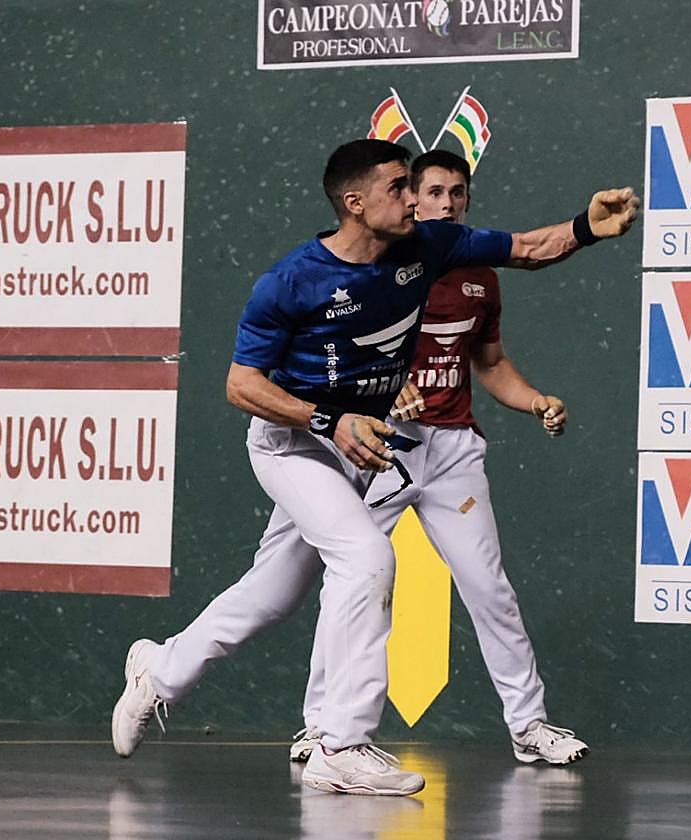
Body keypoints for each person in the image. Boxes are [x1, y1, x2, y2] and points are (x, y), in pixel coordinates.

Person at [110, 139, 640, 797]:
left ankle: (158, 672)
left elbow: (530, 248)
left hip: (370, 442)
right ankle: (340, 743)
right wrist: (330, 420)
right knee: (365, 559)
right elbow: (241, 385)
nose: (415, 197)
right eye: (399, 187)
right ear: (354, 203)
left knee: (274, 593)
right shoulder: (291, 280)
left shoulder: (430, 245)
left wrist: (589, 227)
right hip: (296, 446)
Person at [288, 148, 586, 770]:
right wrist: (382, 383)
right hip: (383, 446)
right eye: (433, 192)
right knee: (353, 585)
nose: (447, 203)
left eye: (458, 192)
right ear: (409, 201)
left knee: (490, 589)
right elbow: (334, 353)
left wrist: (535, 402)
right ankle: (319, 727)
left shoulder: (480, 274)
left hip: (453, 453)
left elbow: (492, 365)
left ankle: (528, 726)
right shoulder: (377, 269)